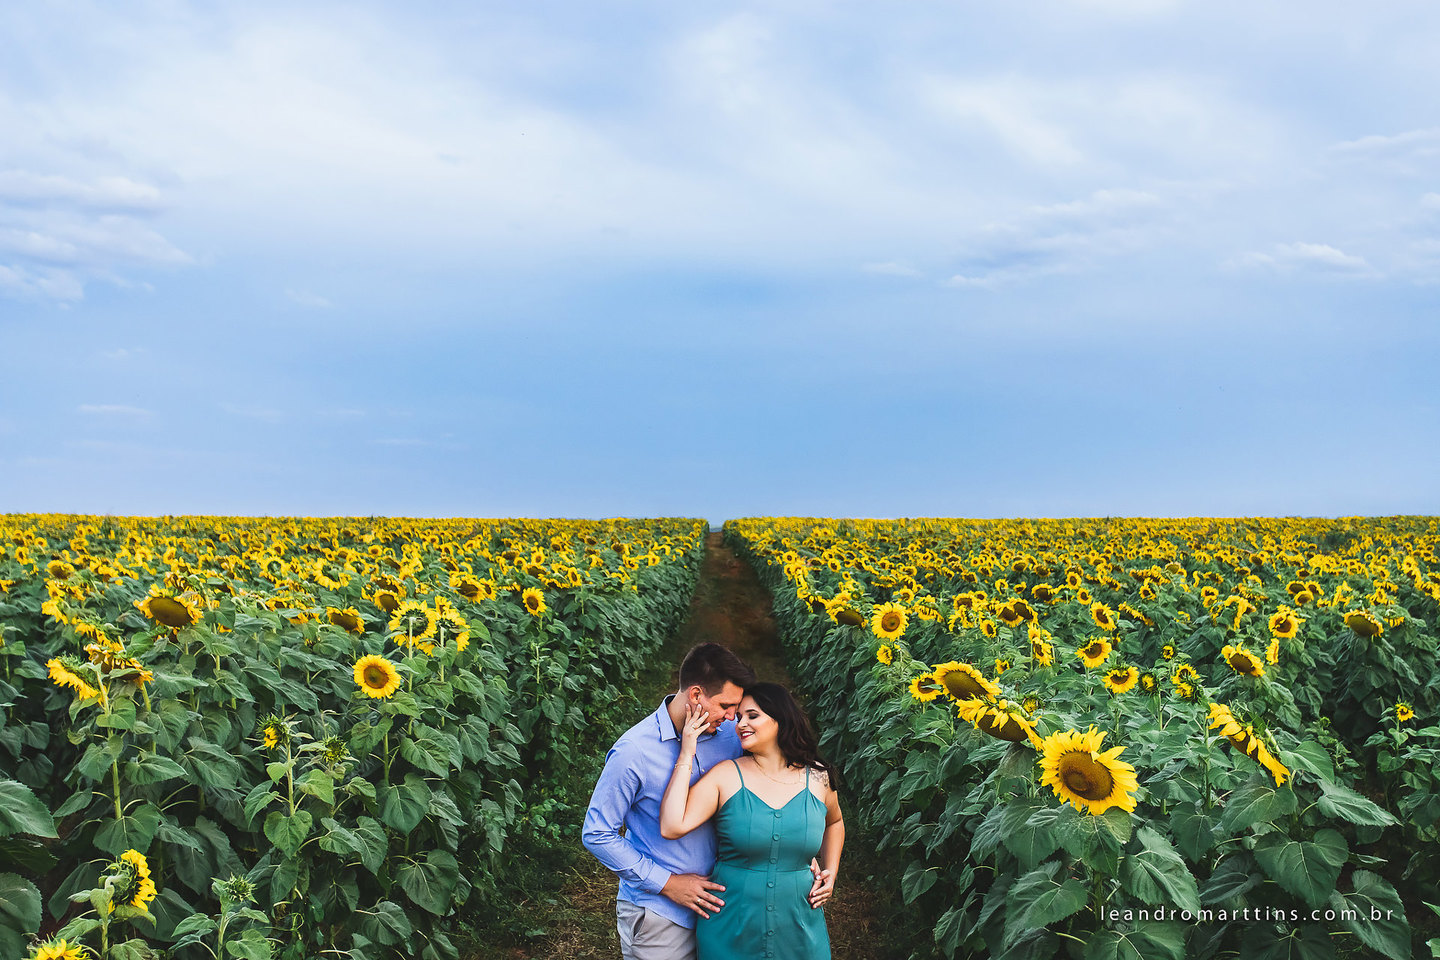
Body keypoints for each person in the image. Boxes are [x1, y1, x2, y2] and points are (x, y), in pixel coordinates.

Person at [582, 642, 757, 960]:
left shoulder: (733, 735)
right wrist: (667, 883)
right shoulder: (634, 751)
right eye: (726, 705)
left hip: (724, 907)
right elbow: (597, 833)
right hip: (660, 914)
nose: (734, 716)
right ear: (695, 695)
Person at [659, 682, 844, 960]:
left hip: (800, 930)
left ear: (780, 719)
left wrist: (831, 872)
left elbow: (835, 822)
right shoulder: (726, 776)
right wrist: (687, 753)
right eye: (740, 716)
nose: (740, 724)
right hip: (730, 929)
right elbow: (672, 825)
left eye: (752, 716)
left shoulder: (818, 778)